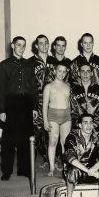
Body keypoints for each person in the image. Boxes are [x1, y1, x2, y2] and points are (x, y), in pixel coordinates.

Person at [0, 36, 38, 180]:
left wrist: (34, 107)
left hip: (26, 103)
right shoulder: (4, 65)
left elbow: (33, 88)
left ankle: (24, 169)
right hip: (11, 104)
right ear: (13, 45)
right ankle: (6, 171)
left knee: (26, 138)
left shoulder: (29, 65)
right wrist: (1, 110)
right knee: (8, 140)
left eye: (23, 45)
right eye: (19, 45)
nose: (21, 48)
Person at [59, 114, 99, 197]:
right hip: (77, 169)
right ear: (80, 125)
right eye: (85, 123)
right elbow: (70, 157)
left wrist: (96, 166)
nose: (89, 126)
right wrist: (88, 171)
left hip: (92, 170)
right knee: (73, 170)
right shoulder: (72, 136)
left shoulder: (97, 136)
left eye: (91, 123)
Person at [28, 34, 56, 169]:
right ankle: (37, 159)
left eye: (46, 43)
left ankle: (51, 158)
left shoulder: (54, 60)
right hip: (37, 99)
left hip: (52, 100)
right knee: (37, 130)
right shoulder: (30, 62)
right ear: (36, 46)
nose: (44, 46)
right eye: (41, 43)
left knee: (51, 128)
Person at [43, 63, 72, 177]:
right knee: (53, 141)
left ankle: (65, 167)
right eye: (59, 71)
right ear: (55, 71)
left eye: (64, 71)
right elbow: (45, 105)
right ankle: (51, 168)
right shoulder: (49, 86)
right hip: (53, 115)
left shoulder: (67, 85)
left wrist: (69, 115)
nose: (62, 73)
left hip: (66, 116)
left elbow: (69, 102)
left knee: (65, 143)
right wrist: (45, 120)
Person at [71, 62, 99, 128]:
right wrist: (78, 124)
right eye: (82, 71)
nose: (85, 74)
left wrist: (95, 124)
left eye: (88, 71)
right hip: (79, 126)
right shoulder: (73, 90)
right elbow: (72, 110)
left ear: (92, 73)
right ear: (79, 73)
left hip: (96, 126)